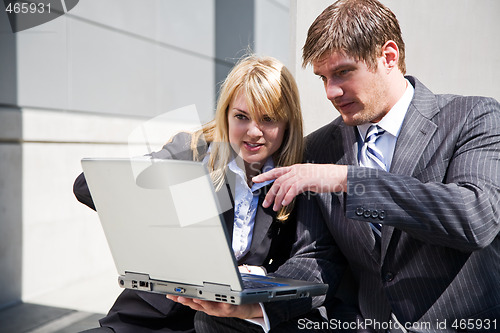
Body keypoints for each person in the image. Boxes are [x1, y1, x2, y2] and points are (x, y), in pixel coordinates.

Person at [194, 0, 500, 332]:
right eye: (323, 77)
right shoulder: (317, 148)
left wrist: (346, 179)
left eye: (343, 72)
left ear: (388, 56)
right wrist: (254, 302)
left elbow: (475, 217)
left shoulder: (473, 117)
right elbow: (318, 257)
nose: (331, 91)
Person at [74, 55, 330, 333]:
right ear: (226, 114)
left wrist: (261, 274)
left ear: (287, 123)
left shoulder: (296, 174)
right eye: (241, 117)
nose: (253, 132)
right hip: (158, 313)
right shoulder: (193, 151)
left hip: (231, 320)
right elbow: (88, 186)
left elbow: (305, 260)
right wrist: (172, 210)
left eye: (268, 119)